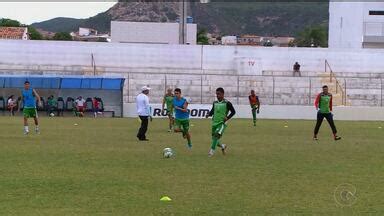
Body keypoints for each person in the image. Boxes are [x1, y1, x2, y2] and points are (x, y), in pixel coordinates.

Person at [206, 87, 236, 157]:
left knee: (216, 135)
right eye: (216, 94)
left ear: (223, 94)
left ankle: (211, 151)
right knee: (214, 139)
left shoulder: (227, 103)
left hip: (222, 123)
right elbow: (213, 111)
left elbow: (233, 112)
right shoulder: (215, 103)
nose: (217, 95)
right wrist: (209, 114)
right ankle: (223, 146)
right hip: (214, 122)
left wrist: (227, 118)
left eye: (218, 94)